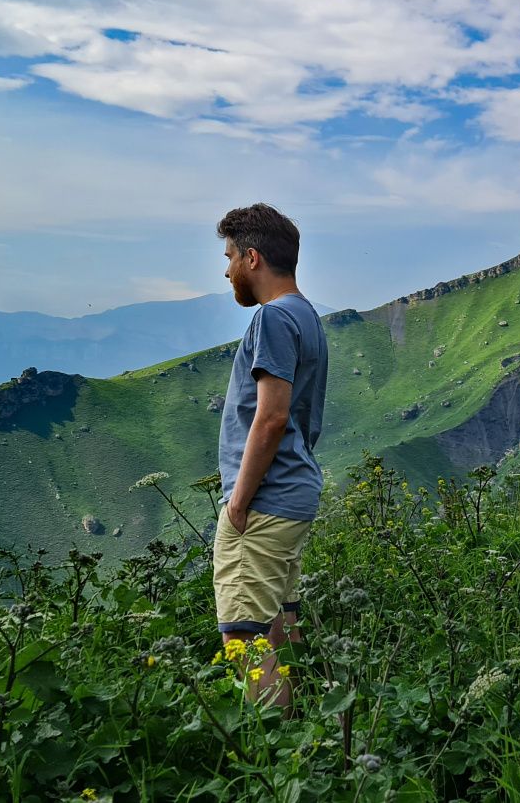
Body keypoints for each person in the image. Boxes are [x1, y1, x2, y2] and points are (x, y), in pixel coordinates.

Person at [211, 203, 328, 709]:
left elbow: (273, 416)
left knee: (244, 639)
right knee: (280, 628)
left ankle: (271, 761)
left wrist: (238, 501)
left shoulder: (273, 319)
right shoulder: (306, 316)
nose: (227, 268)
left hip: (263, 501)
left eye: (230, 255)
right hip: (292, 495)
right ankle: (306, 739)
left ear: (252, 258)